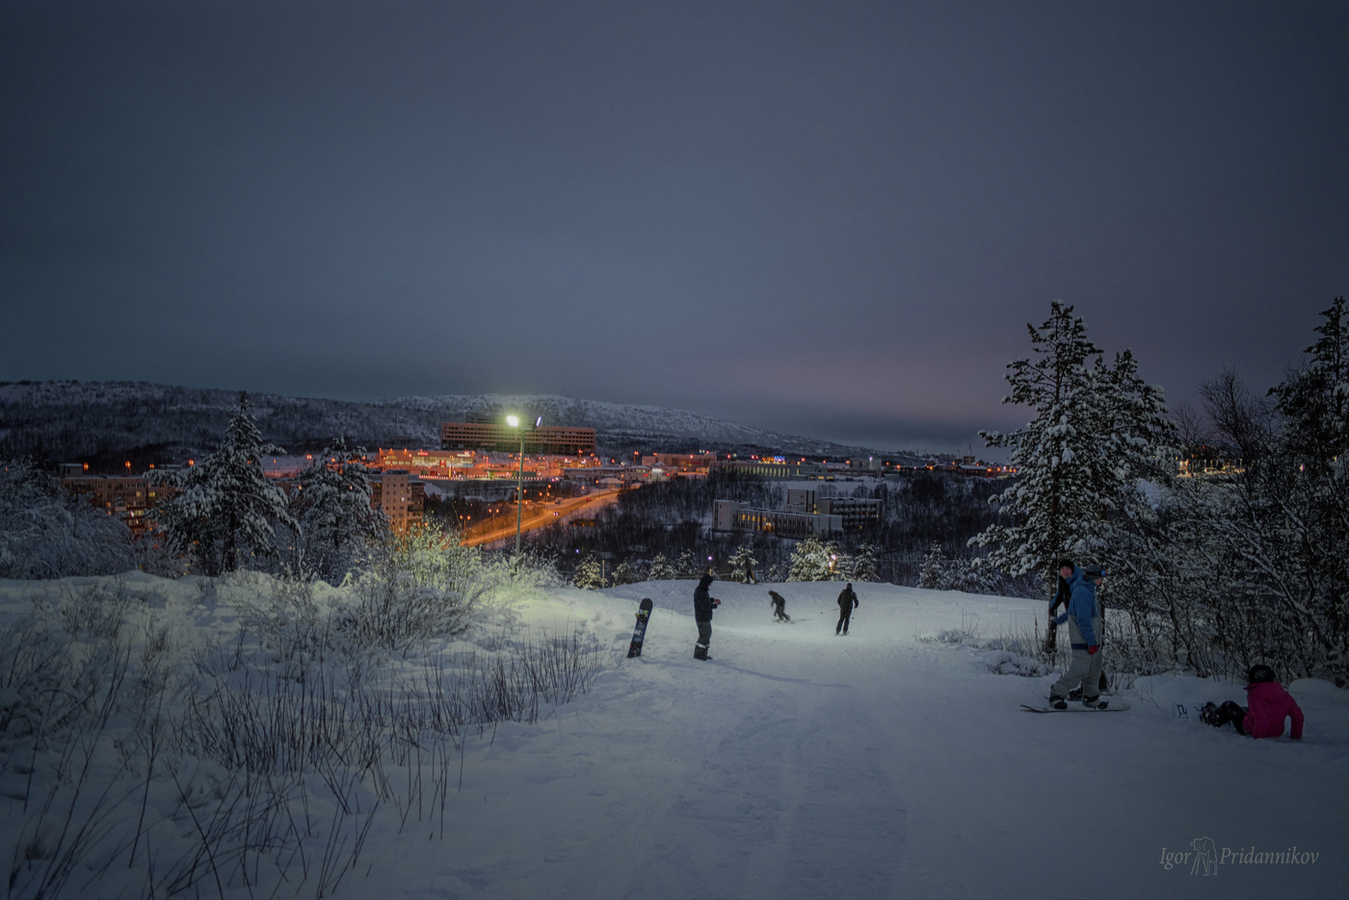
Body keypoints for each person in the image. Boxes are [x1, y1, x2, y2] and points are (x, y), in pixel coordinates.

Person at [1049, 564, 1106, 708]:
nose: (1102, 580)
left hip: (1093, 642)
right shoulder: (1082, 593)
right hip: (1084, 641)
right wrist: (1091, 642)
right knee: (1079, 670)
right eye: (1100, 577)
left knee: (1094, 670)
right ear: (1093, 577)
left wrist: (1058, 620)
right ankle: (1057, 694)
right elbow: (1083, 621)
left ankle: (1091, 697)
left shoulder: (1088, 591)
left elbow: (1070, 613)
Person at [1200, 665, 1304, 739]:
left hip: (1249, 730)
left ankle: (1212, 717)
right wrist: (1295, 737)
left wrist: (1258, 739)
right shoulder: (1284, 694)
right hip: (1276, 733)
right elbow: (1298, 717)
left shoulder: (1255, 695)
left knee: (1229, 705)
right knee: (1245, 709)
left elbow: (1262, 719)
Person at [693, 573, 721, 660]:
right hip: (702, 618)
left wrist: (712, 600)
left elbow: (705, 601)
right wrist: (715, 605)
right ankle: (698, 654)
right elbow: (704, 605)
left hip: (705, 617)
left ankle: (704, 653)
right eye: (709, 583)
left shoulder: (702, 590)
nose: (710, 585)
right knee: (704, 636)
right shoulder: (700, 591)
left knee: (707, 635)